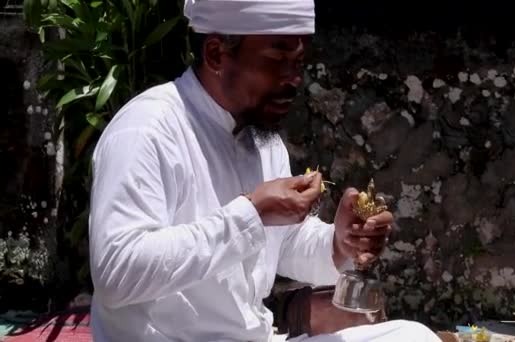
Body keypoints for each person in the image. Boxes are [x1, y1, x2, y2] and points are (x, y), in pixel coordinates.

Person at [87, 0, 442, 341]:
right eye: (277, 60)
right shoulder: (148, 129)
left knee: (414, 337)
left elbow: (285, 244)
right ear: (216, 55)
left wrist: (340, 241)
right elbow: (117, 274)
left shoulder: (262, 142)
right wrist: (251, 213)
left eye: (298, 63)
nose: (294, 79)